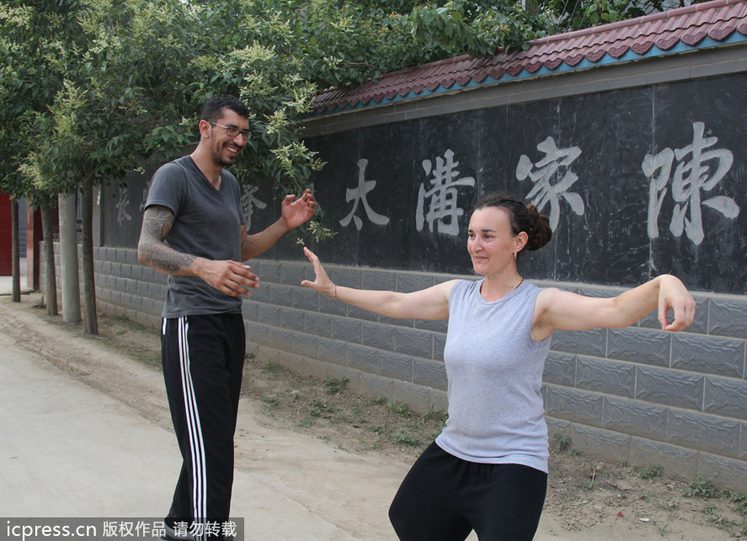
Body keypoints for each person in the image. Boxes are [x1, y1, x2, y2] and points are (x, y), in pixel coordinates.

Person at [300, 192, 695, 541]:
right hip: (454, 449)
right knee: (409, 517)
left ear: (518, 242)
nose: (476, 245)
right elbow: (395, 303)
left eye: (488, 236)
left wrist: (666, 282)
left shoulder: (539, 304)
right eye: (472, 235)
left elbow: (615, 310)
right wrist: (334, 290)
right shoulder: (459, 294)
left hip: (512, 463)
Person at [137, 94, 316, 541]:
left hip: (228, 323)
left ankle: (179, 531)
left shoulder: (231, 185)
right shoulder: (174, 177)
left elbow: (239, 248)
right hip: (189, 323)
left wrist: (282, 226)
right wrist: (202, 266)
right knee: (210, 452)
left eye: (244, 132)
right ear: (205, 128)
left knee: (211, 445)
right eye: (230, 130)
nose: (238, 139)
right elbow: (146, 248)